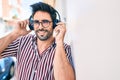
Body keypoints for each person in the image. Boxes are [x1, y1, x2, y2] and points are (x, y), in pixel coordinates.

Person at [0, 2, 75, 80]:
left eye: (45, 22)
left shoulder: (64, 49)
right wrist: (14, 34)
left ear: (55, 24)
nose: (40, 27)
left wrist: (59, 42)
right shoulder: (22, 42)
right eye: (36, 22)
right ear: (32, 25)